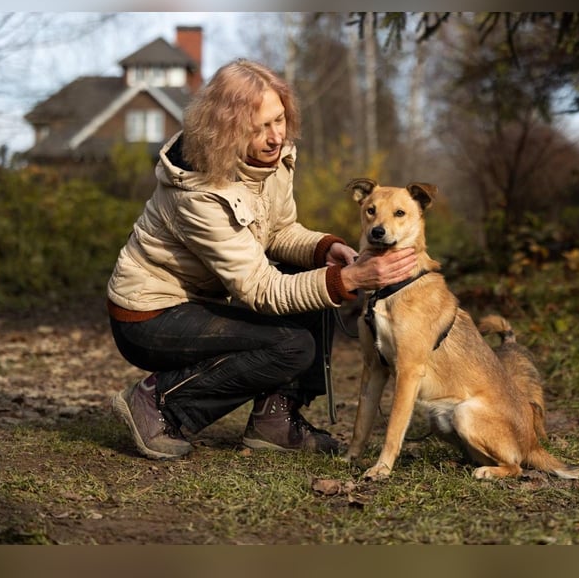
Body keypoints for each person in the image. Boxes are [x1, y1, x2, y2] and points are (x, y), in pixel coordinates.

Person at [107, 59, 417, 461]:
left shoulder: (271, 159)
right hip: (149, 314)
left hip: (203, 300)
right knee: (291, 346)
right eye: (259, 128)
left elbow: (280, 231)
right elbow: (259, 289)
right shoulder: (198, 192)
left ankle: (276, 419)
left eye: (279, 120)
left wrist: (326, 249)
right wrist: (351, 279)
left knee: (315, 276)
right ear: (227, 131)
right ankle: (156, 403)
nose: (276, 137)